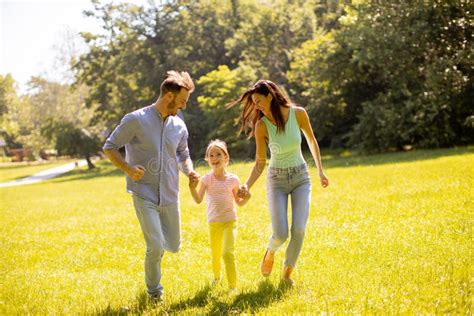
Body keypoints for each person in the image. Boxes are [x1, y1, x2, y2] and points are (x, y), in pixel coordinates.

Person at [103, 70, 199, 302]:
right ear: (169, 96)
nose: (183, 107)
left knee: (173, 246)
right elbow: (110, 147)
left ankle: (156, 253)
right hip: (143, 192)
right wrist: (128, 169)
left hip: (170, 194)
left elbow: (183, 153)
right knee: (155, 246)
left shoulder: (179, 125)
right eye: (182, 101)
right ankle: (154, 292)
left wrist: (190, 170)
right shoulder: (135, 119)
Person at [227, 79, 329, 285]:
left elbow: (311, 140)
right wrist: (247, 184)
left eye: (258, 101)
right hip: (277, 181)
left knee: (299, 229)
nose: (256, 105)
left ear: (270, 96)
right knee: (281, 233)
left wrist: (320, 171)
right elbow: (260, 162)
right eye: (253, 102)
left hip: (301, 177)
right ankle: (270, 251)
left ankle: (286, 274)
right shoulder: (262, 126)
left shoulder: (298, 113)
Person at [188, 139, 250, 291]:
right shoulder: (206, 179)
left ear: (226, 158)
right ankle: (217, 278)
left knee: (227, 253)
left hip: (230, 222)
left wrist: (247, 197)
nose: (215, 158)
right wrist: (192, 187)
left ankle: (233, 287)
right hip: (214, 223)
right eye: (211, 155)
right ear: (207, 159)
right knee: (215, 255)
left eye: (218, 154)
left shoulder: (233, 179)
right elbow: (198, 199)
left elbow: (239, 203)